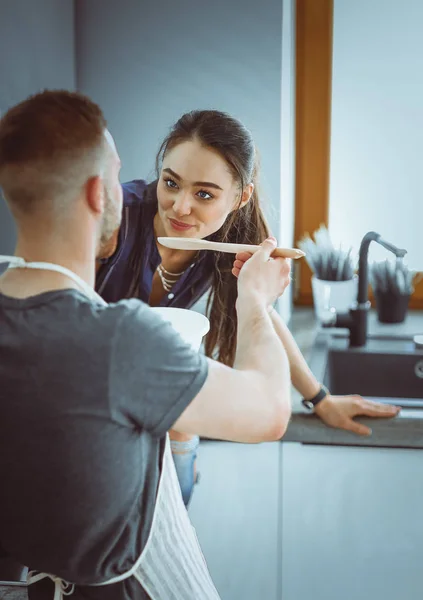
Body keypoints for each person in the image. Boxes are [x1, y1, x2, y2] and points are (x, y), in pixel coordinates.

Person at [0, 90, 293, 599]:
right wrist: (255, 301)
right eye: (118, 174)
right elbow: (268, 411)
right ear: (98, 193)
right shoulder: (125, 339)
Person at [96, 110, 400, 505]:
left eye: (204, 194)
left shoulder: (231, 242)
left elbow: (260, 315)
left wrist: (319, 397)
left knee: (177, 493)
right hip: (94, 393)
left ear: (241, 197)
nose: (179, 207)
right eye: (170, 183)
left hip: (163, 399)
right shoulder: (113, 218)